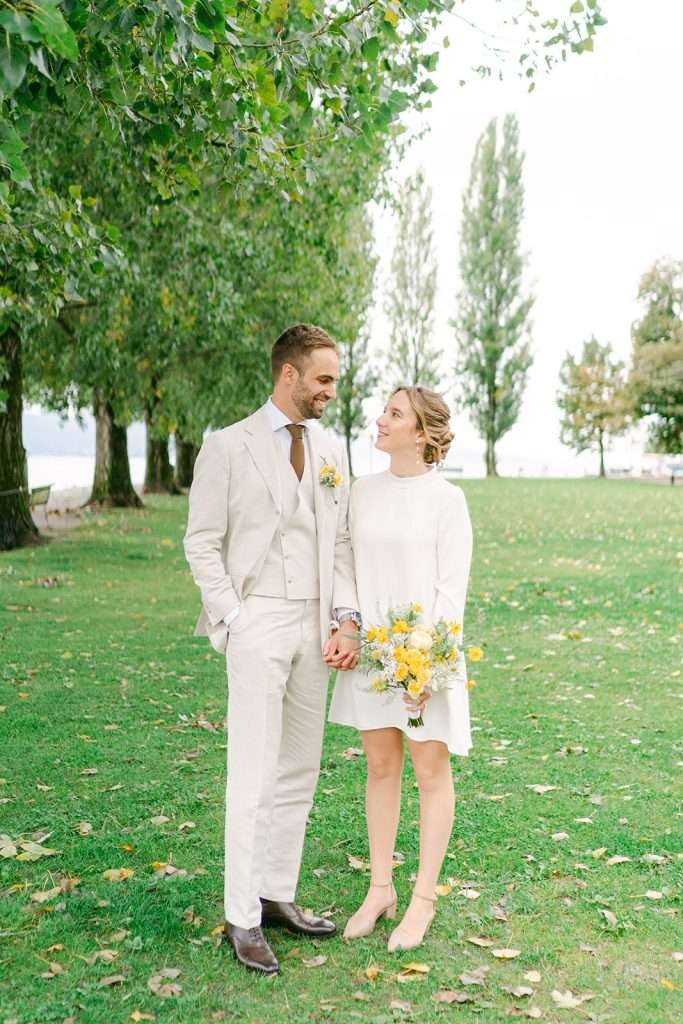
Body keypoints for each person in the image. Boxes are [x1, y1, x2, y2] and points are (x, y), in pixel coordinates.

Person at [183, 324, 361, 975]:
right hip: (256, 619)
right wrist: (232, 616)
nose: (329, 392)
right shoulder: (228, 446)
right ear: (288, 374)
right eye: (323, 379)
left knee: (298, 769)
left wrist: (346, 619)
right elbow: (201, 541)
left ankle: (277, 892)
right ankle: (241, 916)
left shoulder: (333, 448)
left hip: (317, 627)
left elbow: (341, 542)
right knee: (252, 773)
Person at [328, 385, 473, 952]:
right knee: (381, 767)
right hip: (372, 653)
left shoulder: (447, 500)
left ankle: (423, 899)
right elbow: (343, 562)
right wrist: (350, 624)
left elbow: (449, 591)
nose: (379, 420)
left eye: (393, 414)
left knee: (431, 772)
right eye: (383, 411)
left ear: (421, 433)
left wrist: (427, 668)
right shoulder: (362, 492)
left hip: (422, 660)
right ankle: (381, 888)